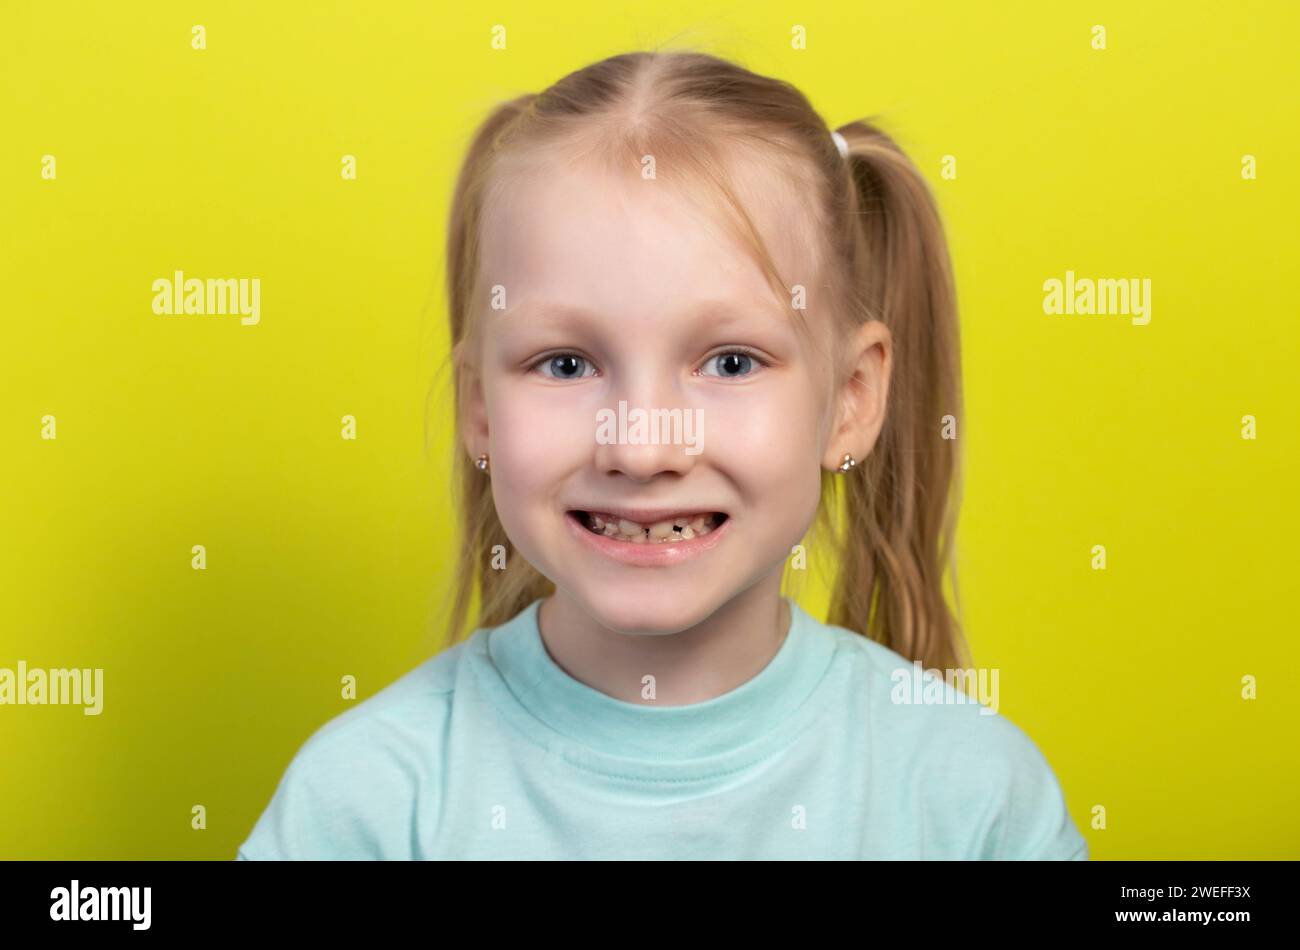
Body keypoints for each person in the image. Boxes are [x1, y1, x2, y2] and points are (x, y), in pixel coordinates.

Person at [238, 48, 1088, 860]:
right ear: (480, 408)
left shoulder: (975, 802)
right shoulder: (362, 807)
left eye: (730, 362)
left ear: (851, 401)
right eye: (566, 364)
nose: (642, 447)